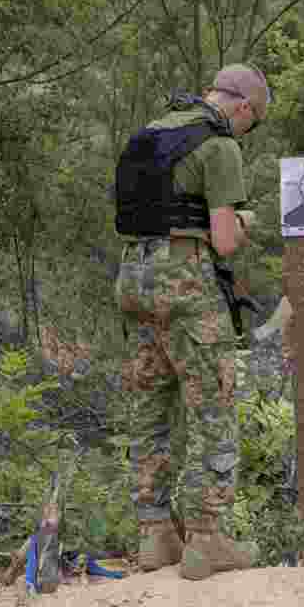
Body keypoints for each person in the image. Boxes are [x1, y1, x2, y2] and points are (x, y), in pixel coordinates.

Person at [112, 64, 269, 580]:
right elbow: (224, 241)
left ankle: (154, 534)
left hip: (133, 276)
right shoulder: (219, 145)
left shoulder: (148, 133)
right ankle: (206, 538)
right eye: (254, 120)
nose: (247, 129)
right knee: (213, 403)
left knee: (150, 403)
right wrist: (245, 221)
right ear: (242, 106)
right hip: (185, 279)